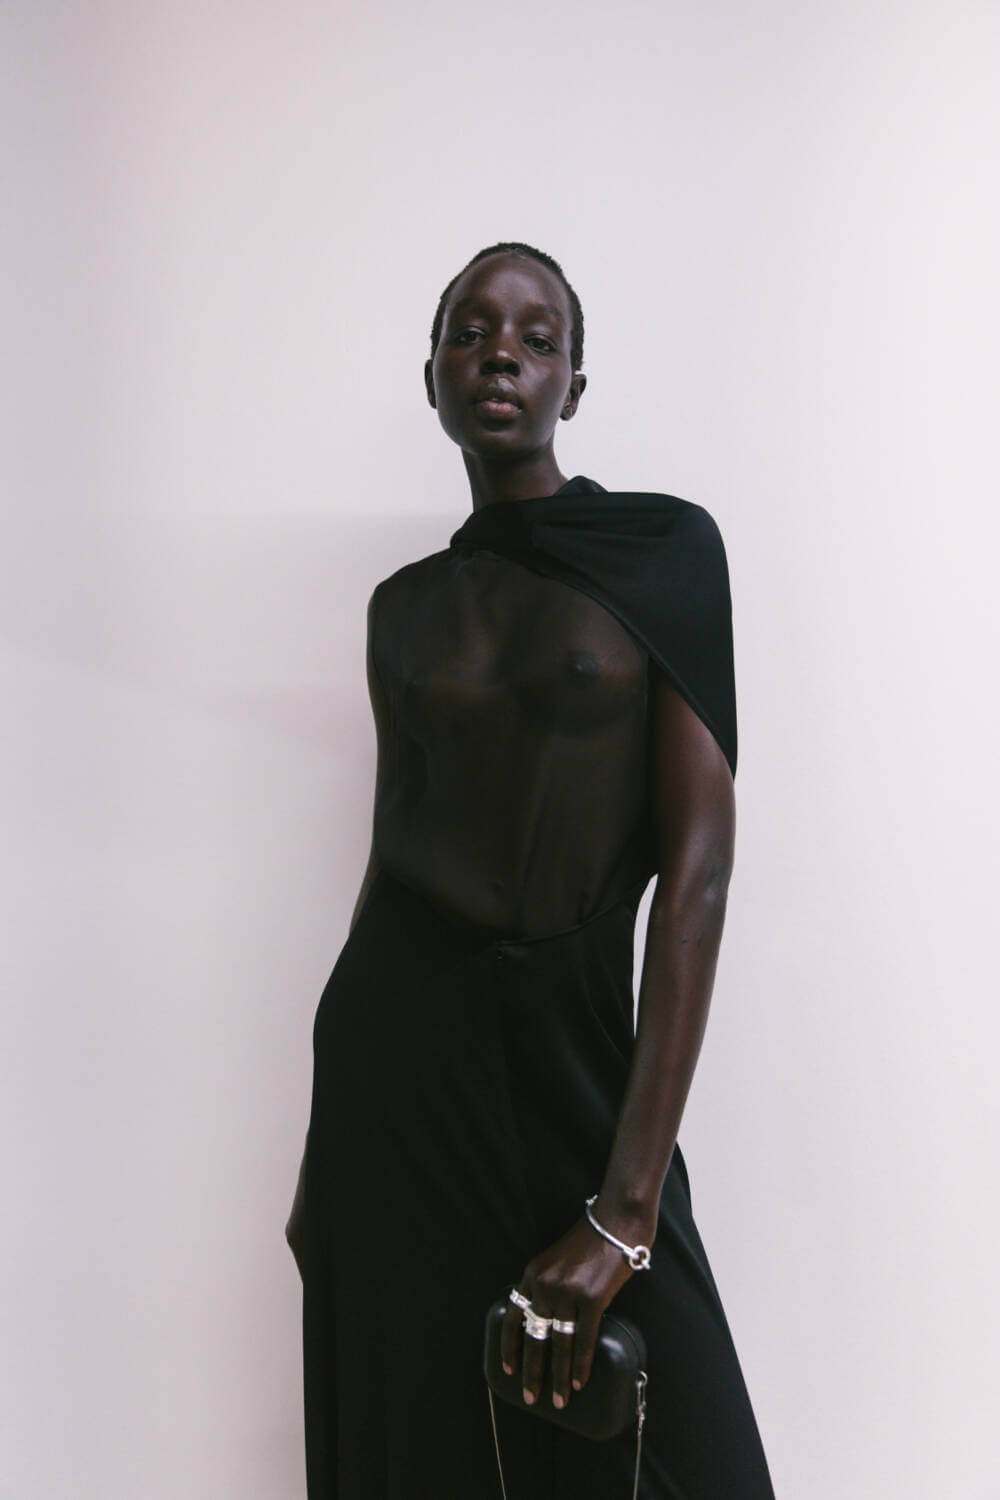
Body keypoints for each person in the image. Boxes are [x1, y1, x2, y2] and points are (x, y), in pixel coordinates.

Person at [286, 241, 776, 1499]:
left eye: (536, 336)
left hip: (576, 1050)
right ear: (434, 377)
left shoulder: (663, 551)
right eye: (470, 331)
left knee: (698, 1460)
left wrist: (627, 1209)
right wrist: (323, 1153)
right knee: (424, 1447)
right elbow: (394, 856)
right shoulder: (403, 608)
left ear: (574, 384)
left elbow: (700, 869)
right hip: (395, 1079)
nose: (500, 352)